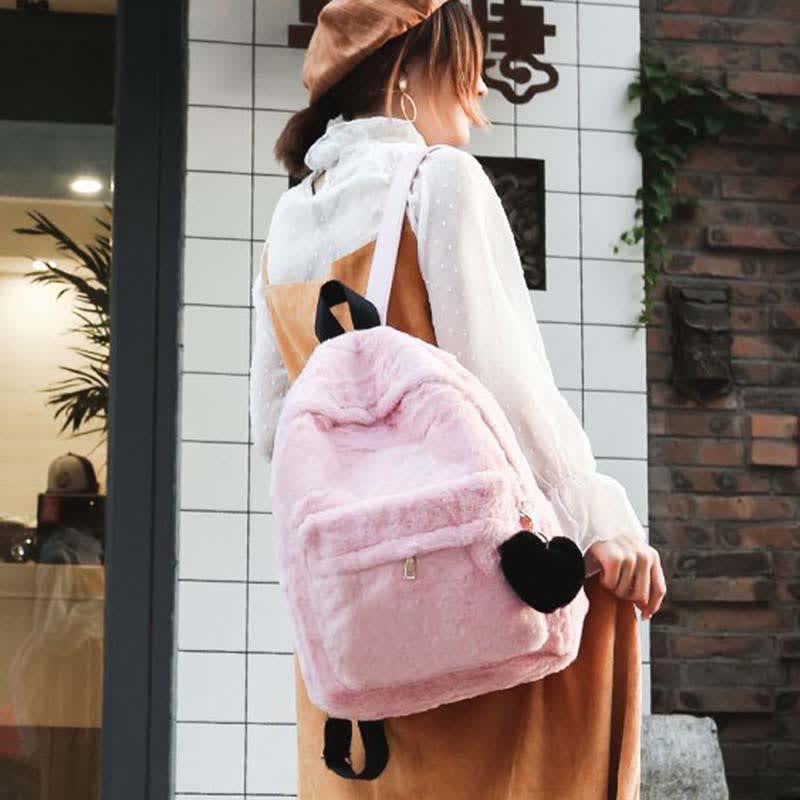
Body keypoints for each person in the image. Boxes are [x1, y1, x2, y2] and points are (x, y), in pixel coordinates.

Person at [249, 1, 667, 797]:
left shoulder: (288, 218)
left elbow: (275, 427)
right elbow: (502, 384)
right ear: (410, 73)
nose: (477, 106)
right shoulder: (437, 180)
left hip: (360, 631)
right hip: (465, 605)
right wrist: (599, 520)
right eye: (470, 79)